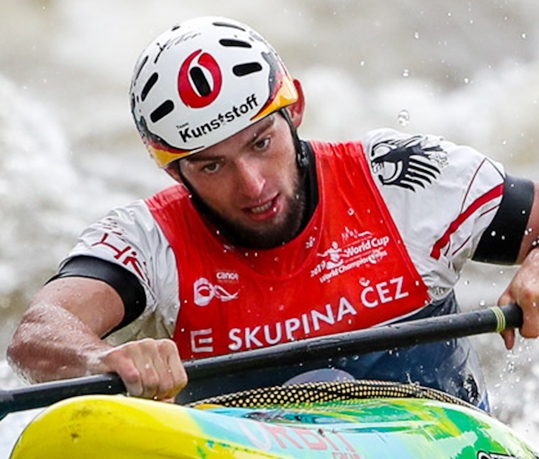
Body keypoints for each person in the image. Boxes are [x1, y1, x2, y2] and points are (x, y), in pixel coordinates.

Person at [7, 16, 539, 411]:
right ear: (174, 171)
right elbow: (39, 331)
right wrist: (102, 360)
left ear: (296, 109)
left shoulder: (402, 181)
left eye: (262, 143)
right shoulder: (149, 240)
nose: (253, 185)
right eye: (213, 166)